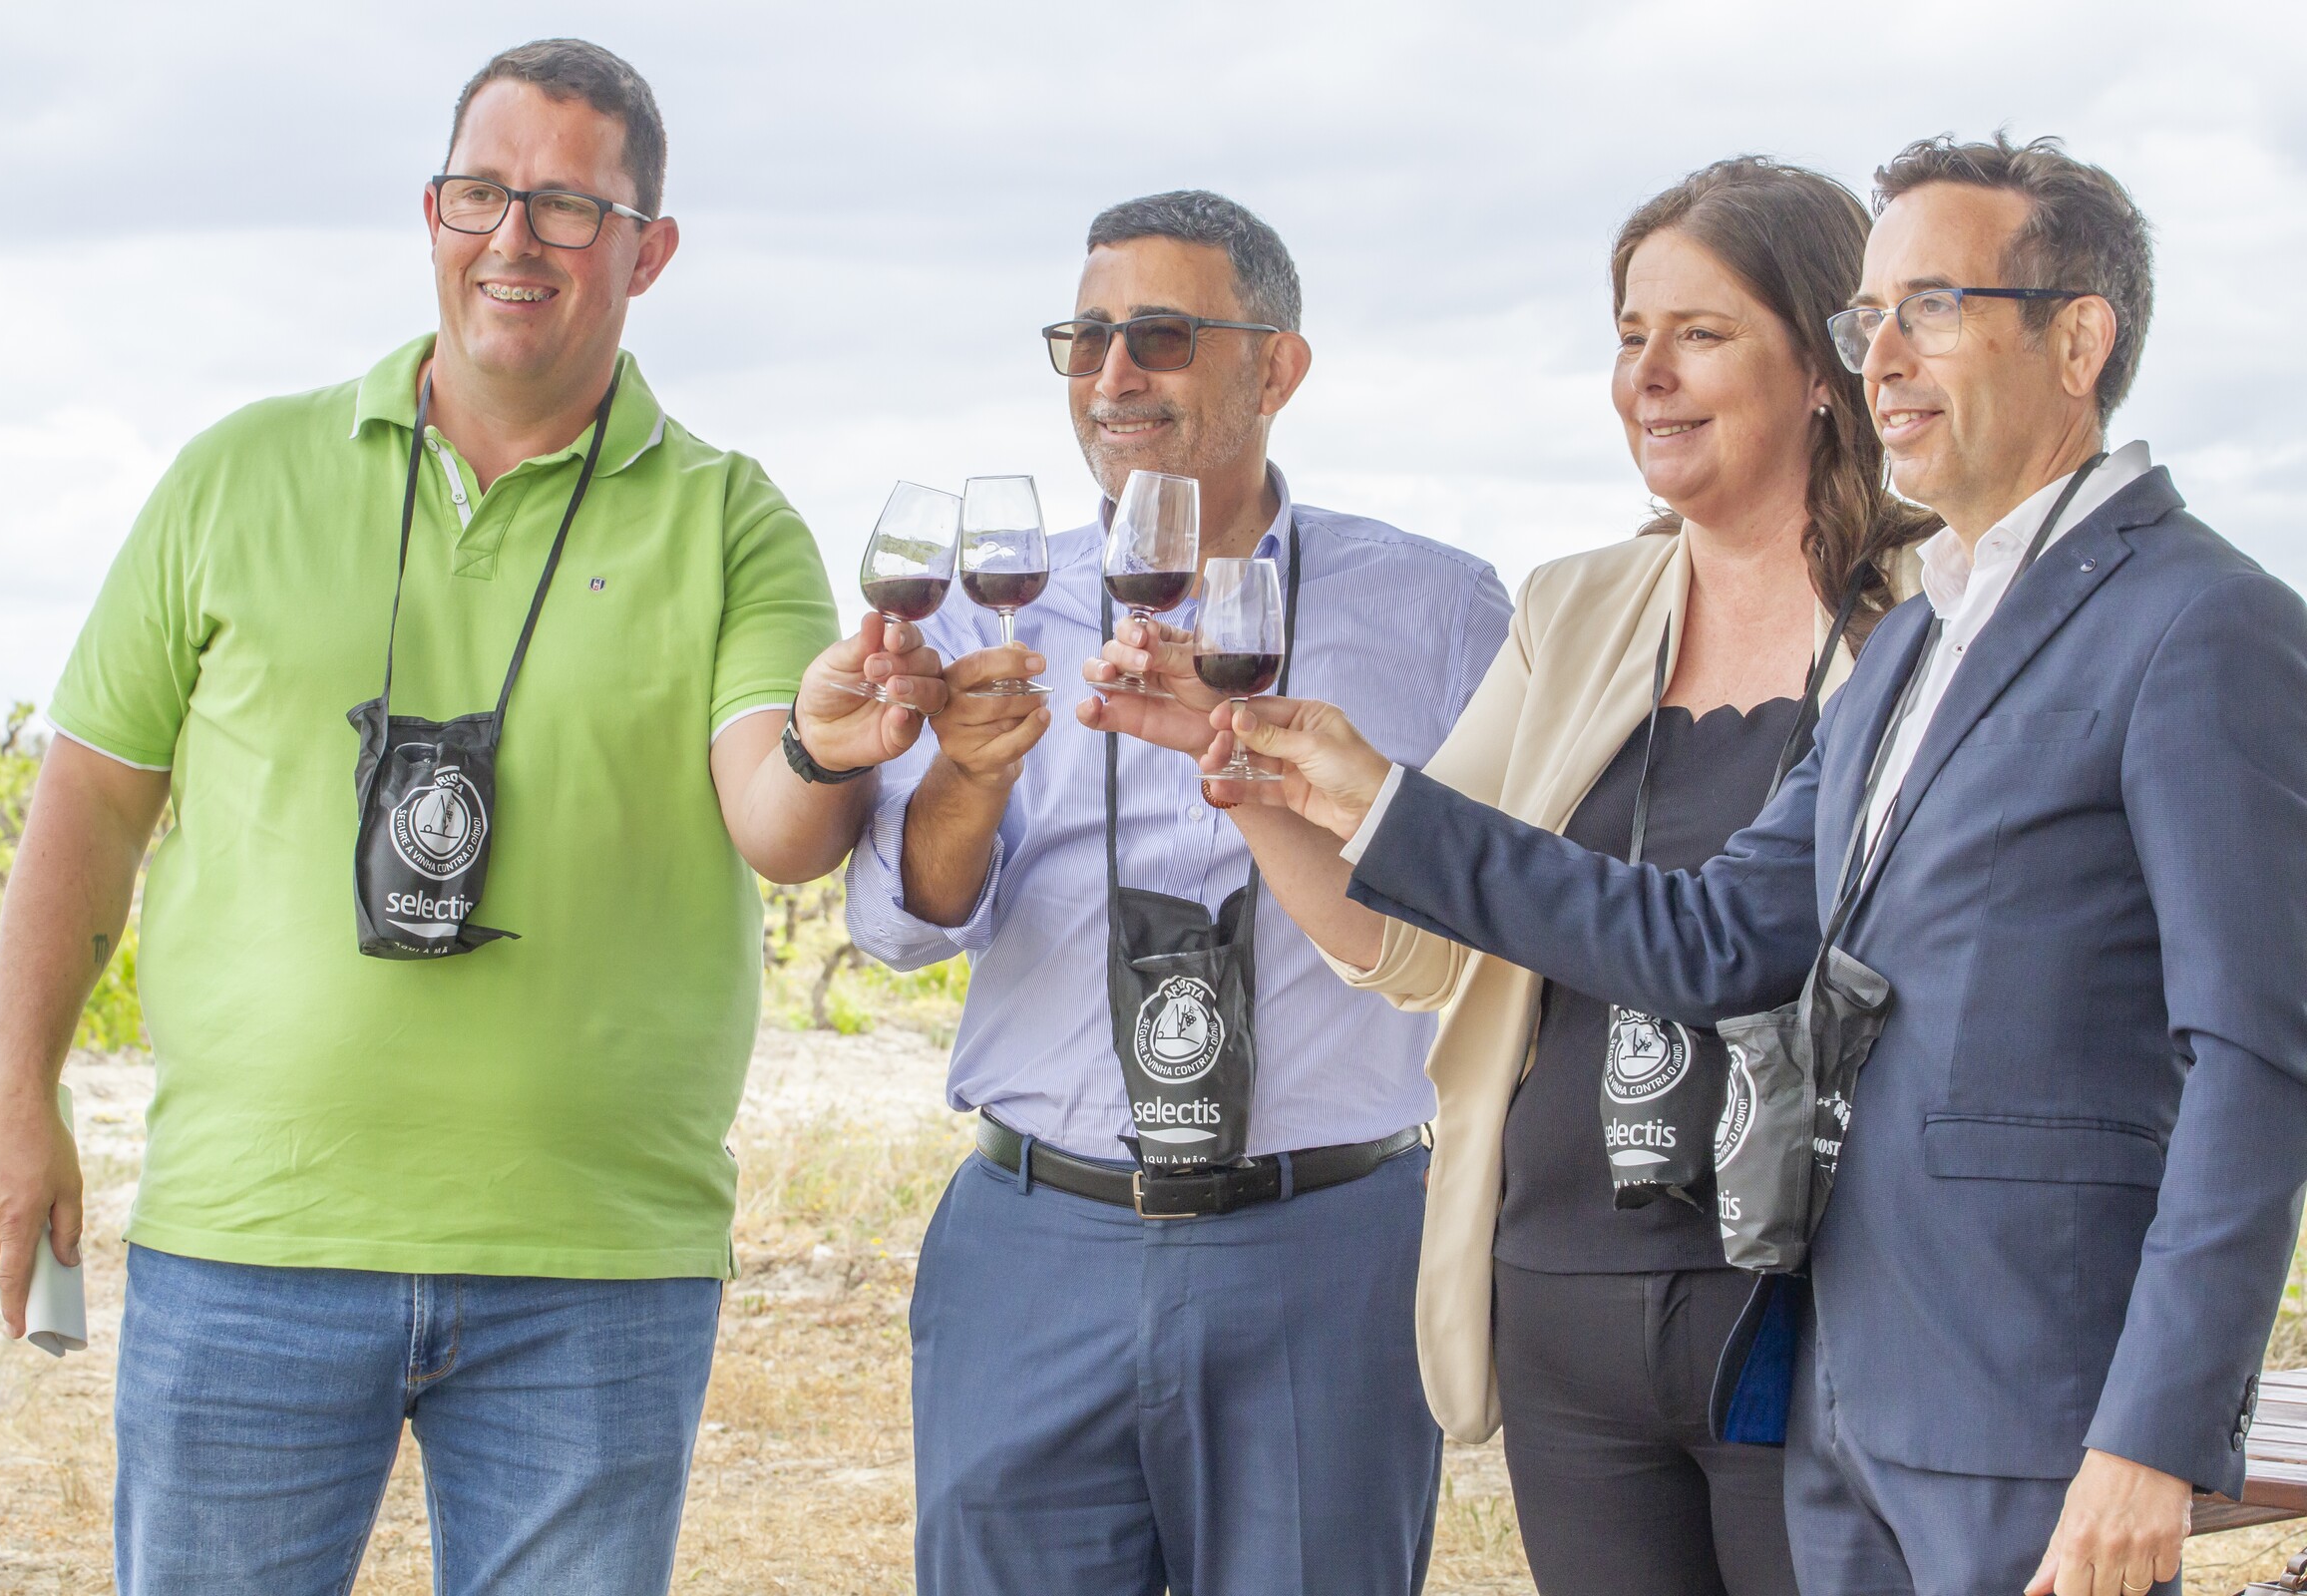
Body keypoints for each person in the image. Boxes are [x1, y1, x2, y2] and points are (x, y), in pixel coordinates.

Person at [1208, 133, 2307, 1596]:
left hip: (2026, 1418)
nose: (1885, 355)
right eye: (1870, 318)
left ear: (2079, 339)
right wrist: (1366, 794)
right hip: (1846, 1404)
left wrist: (2155, 1434)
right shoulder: (1921, 638)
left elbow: (2255, 1061)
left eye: (1933, 306)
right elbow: (1715, 938)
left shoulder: (2204, 624)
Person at [0, 39, 941, 1595]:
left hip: (595, 1271)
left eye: (565, 207)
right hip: (252, 1242)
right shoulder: (234, 477)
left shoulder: (732, 517)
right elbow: (91, 790)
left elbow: (780, 818)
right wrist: (17, 1088)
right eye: (478, 193)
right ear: (431, 211)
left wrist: (830, 754)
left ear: (649, 250)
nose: (511, 240)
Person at [1096, 157, 1933, 1595]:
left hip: (1828, 1294)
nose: (1647, 378)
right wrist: (1238, 772)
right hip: (1564, 1290)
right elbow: (1414, 942)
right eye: (1627, 334)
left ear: (1823, 362)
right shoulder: (1575, 607)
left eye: (1700, 333)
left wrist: (1379, 793)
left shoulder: (1940, 614)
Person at [844, 190, 1512, 1595]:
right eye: (1081, 340)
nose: (1110, 376)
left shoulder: (1443, 610)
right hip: (1039, 1244)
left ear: (1278, 366)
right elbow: (906, 923)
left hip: (1327, 1252)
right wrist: (965, 779)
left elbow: (1488, 922)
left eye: (1158, 335)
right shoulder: (995, 603)